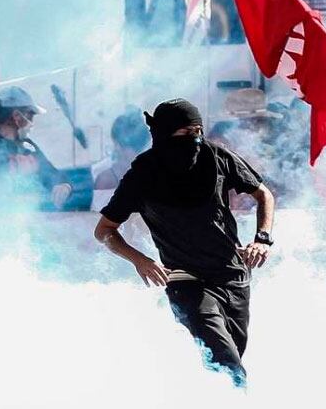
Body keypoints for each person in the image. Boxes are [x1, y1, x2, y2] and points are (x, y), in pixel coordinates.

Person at [93, 98, 275, 386]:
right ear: (164, 135)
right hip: (186, 280)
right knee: (228, 367)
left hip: (233, 277)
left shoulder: (216, 157)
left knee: (227, 365)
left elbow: (263, 193)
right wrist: (140, 259)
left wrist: (262, 239)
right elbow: (104, 230)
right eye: (185, 133)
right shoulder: (142, 173)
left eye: (198, 131)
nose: (194, 140)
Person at [0, 86, 71, 211]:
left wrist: (64, 185)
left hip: (29, 217)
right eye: (30, 115)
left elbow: (50, 172)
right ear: (17, 116)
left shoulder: (27, 145)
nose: (32, 122)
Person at [94, 107, 151, 190]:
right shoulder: (106, 180)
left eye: (139, 147)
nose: (137, 153)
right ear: (118, 145)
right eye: (131, 147)